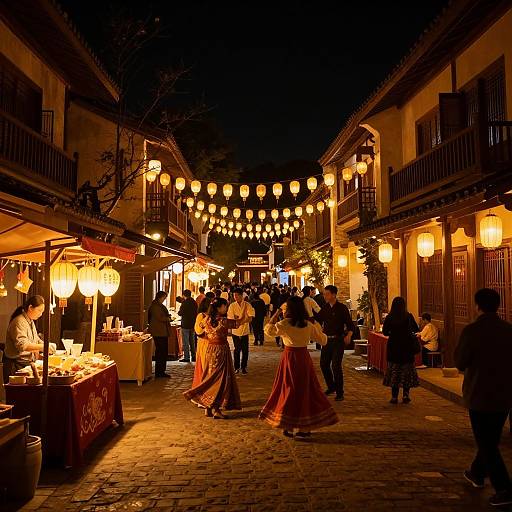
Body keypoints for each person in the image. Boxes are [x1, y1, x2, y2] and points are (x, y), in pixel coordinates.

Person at [455, 288, 512, 507]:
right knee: (491, 439)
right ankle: (476, 473)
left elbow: (460, 362)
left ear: (477, 305)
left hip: (479, 393)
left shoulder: (472, 331)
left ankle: (504, 488)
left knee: (487, 443)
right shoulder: (508, 330)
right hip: (504, 394)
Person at [260, 297, 339, 437]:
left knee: (288, 389)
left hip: (290, 358)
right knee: (305, 390)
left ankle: (288, 425)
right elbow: (323, 340)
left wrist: (276, 314)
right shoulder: (307, 324)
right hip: (303, 358)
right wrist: (320, 329)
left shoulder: (284, 324)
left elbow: (268, 330)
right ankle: (305, 428)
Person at [184, 298, 249, 418]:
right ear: (220, 307)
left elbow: (199, 330)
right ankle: (216, 409)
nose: (226, 308)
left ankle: (208, 407)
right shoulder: (223, 321)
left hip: (210, 350)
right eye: (225, 306)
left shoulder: (206, 320)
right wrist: (246, 314)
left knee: (210, 377)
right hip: (221, 350)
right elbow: (238, 323)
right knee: (220, 380)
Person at [3, 295, 55, 382]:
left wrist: (48, 344)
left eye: (42, 312)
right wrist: (44, 347)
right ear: (30, 307)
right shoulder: (19, 321)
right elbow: (22, 345)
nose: (41, 314)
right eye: (39, 311)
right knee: (17, 394)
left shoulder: (30, 321)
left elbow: (36, 340)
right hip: (15, 364)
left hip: (25, 363)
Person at [316, 285, 354, 401]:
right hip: (327, 340)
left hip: (338, 340)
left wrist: (349, 335)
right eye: (324, 294)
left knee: (336, 365)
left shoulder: (342, 308)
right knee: (324, 364)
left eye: (327, 294)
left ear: (333, 294)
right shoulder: (325, 307)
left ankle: (340, 392)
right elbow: (318, 319)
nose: (325, 296)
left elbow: (350, 324)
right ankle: (331, 386)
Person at [382, 297, 420, 404]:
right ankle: (405, 395)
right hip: (407, 348)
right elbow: (415, 329)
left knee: (395, 372)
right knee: (406, 372)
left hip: (394, 347)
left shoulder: (389, 317)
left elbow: (385, 332)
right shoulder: (408, 316)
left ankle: (394, 396)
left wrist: (393, 333)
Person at [227, 288, 255, 374]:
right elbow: (231, 318)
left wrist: (241, 321)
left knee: (245, 350)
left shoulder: (247, 305)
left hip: (245, 331)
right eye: (234, 296)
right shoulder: (232, 306)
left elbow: (250, 317)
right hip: (235, 331)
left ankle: (244, 367)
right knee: (236, 350)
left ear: (241, 295)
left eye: (237, 295)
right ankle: (236, 367)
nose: (235, 297)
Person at [148, 291, 172, 378]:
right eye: (164, 298)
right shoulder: (155, 306)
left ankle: (161, 371)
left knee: (162, 351)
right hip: (159, 332)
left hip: (161, 331)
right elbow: (160, 317)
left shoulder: (157, 305)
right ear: (160, 297)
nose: (164, 299)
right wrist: (168, 318)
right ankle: (159, 371)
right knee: (161, 351)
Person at [192, 296, 213, 388]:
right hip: (204, 343)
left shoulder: (212, 316)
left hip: (211, 343)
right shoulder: (201, 316)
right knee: (205, 366)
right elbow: (198, 330)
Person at [178, 289, 198, 363]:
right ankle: (193, 356)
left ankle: (186, 357)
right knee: (192, 341)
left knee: (185, 342)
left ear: (184, 295)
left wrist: (179, 312)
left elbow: (180, 313)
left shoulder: (185, 303)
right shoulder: (194, 302)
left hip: (185, 324)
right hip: (193, 324)